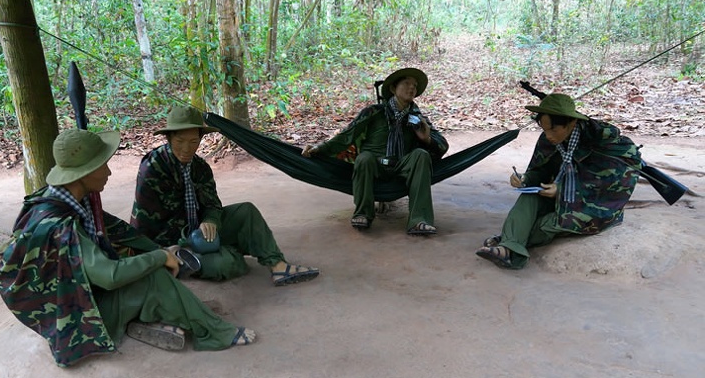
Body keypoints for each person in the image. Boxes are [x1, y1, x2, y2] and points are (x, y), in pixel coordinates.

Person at [0, 128, 255, 368]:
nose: (109, 172)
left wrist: (163, 250)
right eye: (103, 165)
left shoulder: (70, 198)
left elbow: (122, 231)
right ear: (83, 174)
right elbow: (109, 276)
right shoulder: (61, 225)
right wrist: (158, 257)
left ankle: (156, 317)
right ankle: (214, 333)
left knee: (147, 263)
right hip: (75, 316)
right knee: (152, 277)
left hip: (77, 290)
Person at [130, 105, 320, 286]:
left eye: (193, 142)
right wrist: (172, 248)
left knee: (246, 211)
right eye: (180, 142)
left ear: (200, 139)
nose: (187, 148)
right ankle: (182, 262)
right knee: (229, 264)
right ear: (169, 139)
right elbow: (145, 228)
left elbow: (212, 203)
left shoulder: (200, 167)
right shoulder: (153, 168)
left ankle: (278, 266)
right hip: (168, 245)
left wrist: (211, 220)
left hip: (198, 232)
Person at [475, 93, 642, 269]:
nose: (548, 136)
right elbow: (541, 170)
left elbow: (609, 185)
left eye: (553, 130)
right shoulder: (550, 140)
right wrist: (526, 178)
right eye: (544, 129)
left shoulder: (604, 142)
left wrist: (561, 190)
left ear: (571, 123)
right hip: (559, 198)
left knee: (552, 223)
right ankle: (509, 245)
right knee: (529, 196)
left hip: (595, 206)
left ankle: (509, 244)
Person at [301, 67, 449, 235]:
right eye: (406, 83)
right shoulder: (373, 113)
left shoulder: (418, 118)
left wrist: (427, 139)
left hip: (402, 167)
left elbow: (443, 145)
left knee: (421, 155)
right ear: (393, 89)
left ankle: (419, 220)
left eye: (414, 85)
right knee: (364, 158)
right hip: (374, 166)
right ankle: (363, 213)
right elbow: (346, 136)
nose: (412, 88)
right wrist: (319, 149)